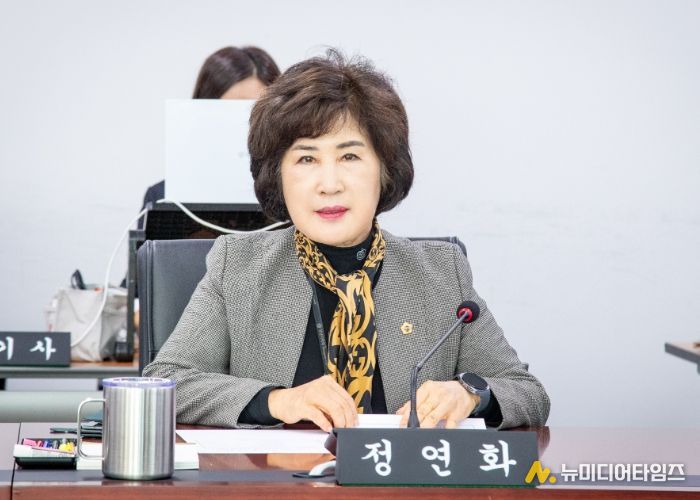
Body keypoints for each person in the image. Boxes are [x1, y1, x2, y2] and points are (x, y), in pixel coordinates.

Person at [143, 50, 550, 431]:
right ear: (278, 176)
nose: (329, 184)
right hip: (278, 477)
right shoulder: (238, 266)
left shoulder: (441, 272)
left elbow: (527, 392)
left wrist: (470, 394)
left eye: (350, 156)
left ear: (385, 170)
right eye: (306, 159)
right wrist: (276, 401)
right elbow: (167, 381)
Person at [140, 46, 281, 217]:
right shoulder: (162, 198)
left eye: (260, 109)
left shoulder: (293, 196)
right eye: (235, 109)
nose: (250, 122)